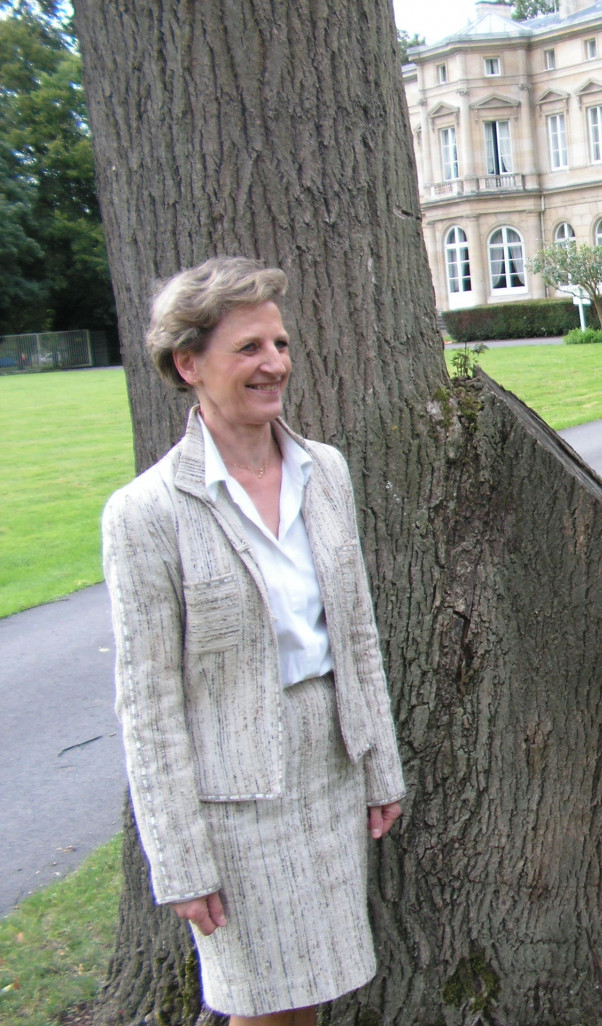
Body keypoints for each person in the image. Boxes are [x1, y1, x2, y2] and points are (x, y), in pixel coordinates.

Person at [102, 256, 407, 1025]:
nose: (275, 364)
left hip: (329, 769)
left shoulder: (325, 472)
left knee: (311, 995)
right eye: (248, 349)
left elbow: (357, 632)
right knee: (261, 1004)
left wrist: (379, 764)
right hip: (237, 799)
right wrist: (179, 858)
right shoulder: (146, 514)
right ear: (188, 364)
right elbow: (148, 704)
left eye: (279, 343)